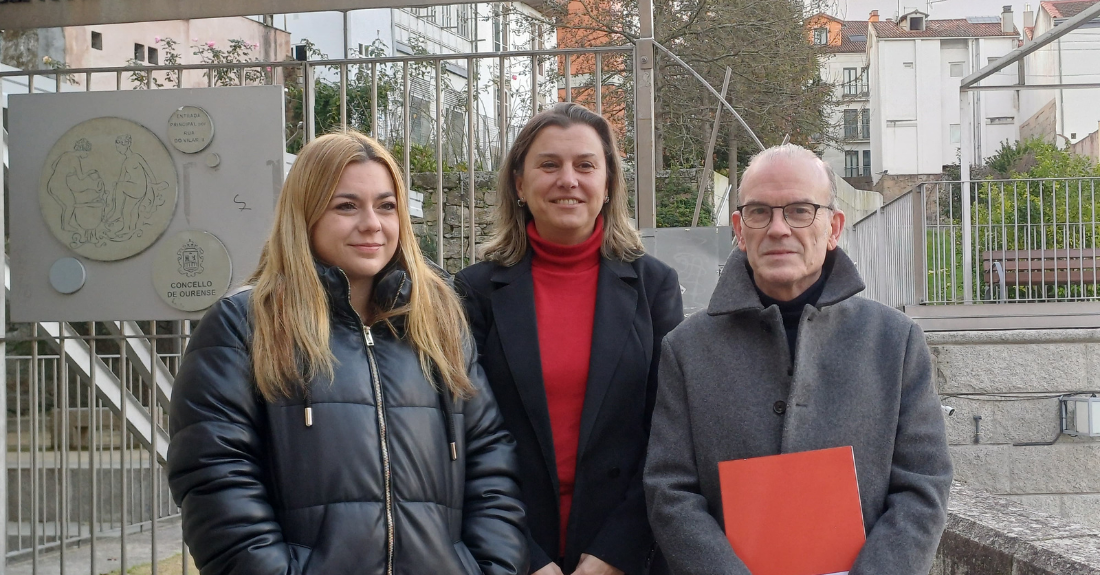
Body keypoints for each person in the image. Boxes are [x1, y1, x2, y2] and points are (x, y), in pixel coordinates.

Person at [167, 130, 528, 575]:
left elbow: (491, 464)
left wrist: (490, 568)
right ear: (306, 214)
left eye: (386, 205)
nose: (372, 223)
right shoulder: (243, 324)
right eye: (346, 206)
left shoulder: (440, 324)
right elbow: (215, 476)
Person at [644, 144, 952, 575]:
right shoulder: (687, 350)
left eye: (800, 210)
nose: (778, 228)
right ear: (739, 228)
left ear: (834, 227)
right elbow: (669, 490)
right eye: (759, 212)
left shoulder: (894, 342)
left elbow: (923, 484)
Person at [456, 103, 684, 575]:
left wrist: (613, 555)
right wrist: (526, 558)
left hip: (622, 551)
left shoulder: (654, 286)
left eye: (585, 165)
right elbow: (460, 437)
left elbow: (668, 435)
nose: (568, 179)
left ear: (608, 184)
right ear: (519, 184)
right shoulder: (473, 292)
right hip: (508, 548)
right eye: (548, 165)